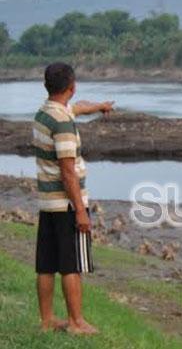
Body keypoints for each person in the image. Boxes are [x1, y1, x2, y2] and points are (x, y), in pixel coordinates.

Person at [33, 62, 114, 335]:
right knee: (72, 265)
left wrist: (99, 106)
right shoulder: (63, 123)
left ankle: (46, 321)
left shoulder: (46, 113)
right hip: (66, 203)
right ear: (71, 86)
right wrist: (80, 210)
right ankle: (76, 322)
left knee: (45, 264)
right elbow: (68, 172)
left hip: (47, 202)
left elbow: (77, 107)